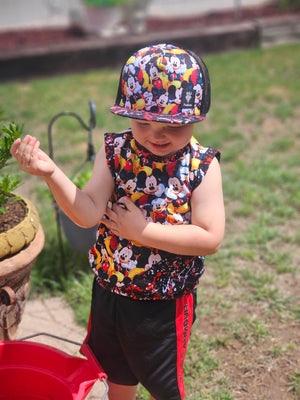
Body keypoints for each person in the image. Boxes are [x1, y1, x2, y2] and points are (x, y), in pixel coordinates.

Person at [11, 43, 225, 400]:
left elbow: (210, 237)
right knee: (116, 377)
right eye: (143, 121)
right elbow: (88, 213)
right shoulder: (116, 152)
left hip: (163, 302)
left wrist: (143, 232)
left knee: (162, 385)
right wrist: (51, 174)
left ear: (195, 118)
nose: (156, 133)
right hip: (110, 290)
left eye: (172, 124)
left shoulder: (201, 166)